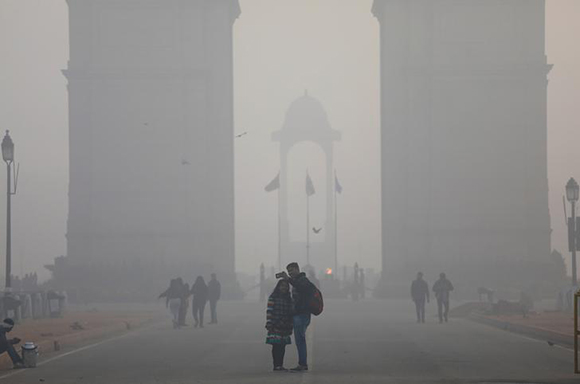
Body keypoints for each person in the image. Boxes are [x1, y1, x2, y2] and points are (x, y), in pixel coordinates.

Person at [281, 262, 315, 372]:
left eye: (292, 270)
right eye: (289, 271)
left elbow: (300, 287)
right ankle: (302, 363)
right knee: (300, 339)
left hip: (302, 314)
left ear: (297, 269)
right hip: (299, 314)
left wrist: (288, 279)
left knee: (300, 340)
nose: (290, 273)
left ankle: (303, 364)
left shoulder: (303, 281)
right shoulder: (298, 281)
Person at [265, 280, 294, 372]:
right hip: (275, 324)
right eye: (282, 286)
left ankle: (280, 365)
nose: (284, 288)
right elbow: (269, 310)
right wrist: (269, 322)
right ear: (278, 287)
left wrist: (291, 323)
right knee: (276, 346)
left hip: (285, 325)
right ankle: (276, 365)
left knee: (282, 346)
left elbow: (291, 312)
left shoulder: (289, 298)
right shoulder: (273, 297)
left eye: (286, 286)